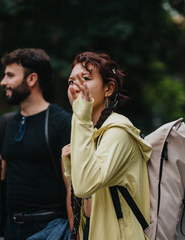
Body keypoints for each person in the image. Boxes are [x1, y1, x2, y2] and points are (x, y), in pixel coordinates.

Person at [0, 48, 72, 240]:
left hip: (50, 227)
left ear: (31, 79)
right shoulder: (7, 122)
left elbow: (71, 183)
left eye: (10, 75)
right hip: (12, 228)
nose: (3, 82)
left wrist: (74, 232)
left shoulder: (62, 122)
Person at [62, 52, 152, 240]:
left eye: (85, 79)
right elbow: (82, 198)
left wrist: (81, 116)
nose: (76, 87)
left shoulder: (117, 132)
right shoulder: (90, 131)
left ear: (108, 89)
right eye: (71, 82)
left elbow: (85, 185)